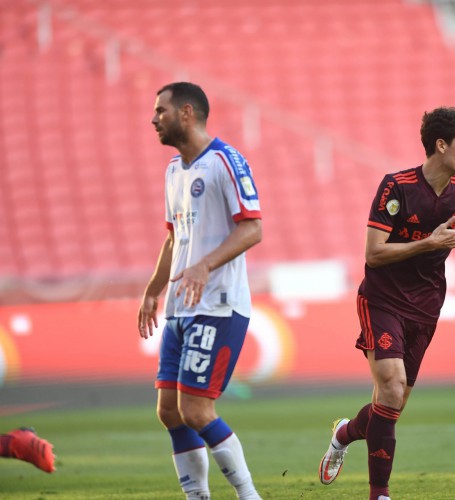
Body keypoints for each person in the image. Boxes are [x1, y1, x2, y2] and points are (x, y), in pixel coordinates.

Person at [317, 107, 455, 500]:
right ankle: (380, 494)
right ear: (441, 145)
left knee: (392, 404)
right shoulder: (396, 187)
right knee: (392, 385)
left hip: (425, 307)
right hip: (382, 300)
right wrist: (428, 243)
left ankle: (344, 433)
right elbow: (373, 254)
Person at [138, 82, 263, 499]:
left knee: (196, 410)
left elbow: (253, 227)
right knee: (170, 411)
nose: (155, 118)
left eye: (161, 110)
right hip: (180, 307)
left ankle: (250, 496)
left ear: (187, 113)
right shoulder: (175, 170)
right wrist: (154, 290)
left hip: (219, 306)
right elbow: (174, 237)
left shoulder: (225, 162)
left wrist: (205, 266)